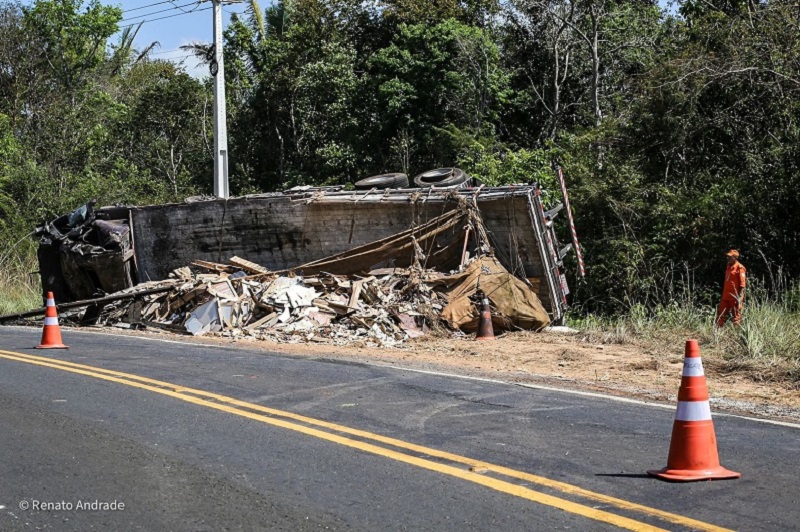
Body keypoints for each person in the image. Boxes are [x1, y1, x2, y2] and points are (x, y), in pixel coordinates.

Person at [715, 249, 746, 326]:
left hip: (735, 297)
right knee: (721, 313)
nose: (728, 258)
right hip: (726, 296)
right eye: (728, 256)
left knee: (736, 316)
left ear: (735, 258)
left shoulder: (740, 268)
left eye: (730, 257)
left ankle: (735, 331)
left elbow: (742, 284)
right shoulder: (728, 266)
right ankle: (718, 330)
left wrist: (740, 297)